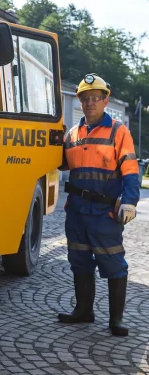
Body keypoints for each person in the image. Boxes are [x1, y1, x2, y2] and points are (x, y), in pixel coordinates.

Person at [58, 73, 140, 336]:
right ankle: (84, 311)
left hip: (105, 212)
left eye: (95, 98)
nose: (90, 103)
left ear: (105, 100)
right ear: (80, 102)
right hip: (77, 212)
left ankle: (115, 320)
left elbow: (130, 170)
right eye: (85, 98)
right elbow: (60, 164)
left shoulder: (119, 131)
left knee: (113, 263)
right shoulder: (72, 134)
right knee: (79, 260)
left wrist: (129, 202)